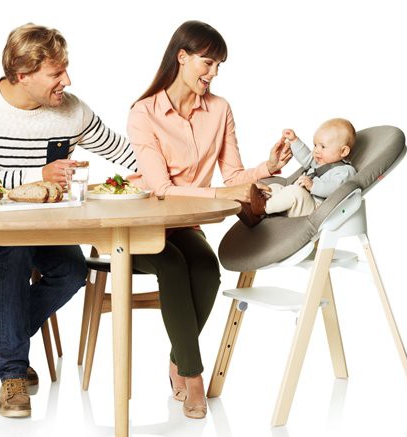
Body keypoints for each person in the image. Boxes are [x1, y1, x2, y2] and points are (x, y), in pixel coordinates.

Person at [0, 23, 137, 418]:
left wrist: (160, 174)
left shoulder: (70, 109)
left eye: (64, 69)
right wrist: (36, 177)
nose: (66, 80)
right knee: (14, 252)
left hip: (45, 229)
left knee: (72, 270)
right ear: (22, 75)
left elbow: (120, 149)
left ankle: (3, 337)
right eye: (56, 73)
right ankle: (12, 376)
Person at [126, 20, 292, 419]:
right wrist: (220, 193)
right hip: (139, 224)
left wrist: (267, 166)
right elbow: (161, 188)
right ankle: (194, 376)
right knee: (171, 266)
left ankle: (177, 359)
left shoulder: (219, 110)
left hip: (185, 224)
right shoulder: (143, 112)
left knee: (207, 271)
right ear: (181, 57)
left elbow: (233, 178)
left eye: (219, 66)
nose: (213, 73)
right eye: (208, 62)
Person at [237, 118, 357, 227]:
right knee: (274, 188)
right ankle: (255, 213)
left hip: (314, 207)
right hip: (300, 200)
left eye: (323, 146)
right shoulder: (320, 162)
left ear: (343, 151)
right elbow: (307, 157)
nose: (316, 150)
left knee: (294, 192)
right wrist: (295, 141)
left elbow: (334, 189)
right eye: (315, 145)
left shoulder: (345, 171)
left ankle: (264, 207)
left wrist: (313, 186)